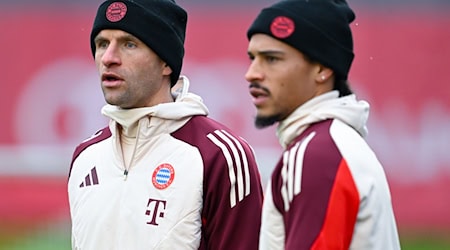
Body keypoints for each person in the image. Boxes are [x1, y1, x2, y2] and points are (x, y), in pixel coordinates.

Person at [67, 0, 264, 249]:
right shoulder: (85, 156)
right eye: (102, 44)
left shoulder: (219, 155)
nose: (108, 58)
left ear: (166, 62)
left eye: (129, 44)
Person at [244, 0, 401, 249]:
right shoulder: (332, 144)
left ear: (322, 68)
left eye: (271, 59)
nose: (252, 73)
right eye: (253, 58)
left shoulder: (315, 155)